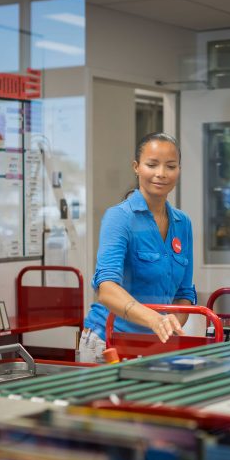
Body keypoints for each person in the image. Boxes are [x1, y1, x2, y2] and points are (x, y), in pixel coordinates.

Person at [78, 132, 196, 363]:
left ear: (179, 170)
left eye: (170, 166)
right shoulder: (119, 218)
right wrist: (154, 319)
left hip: (157, 343)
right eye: (152, 165)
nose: (161, 173)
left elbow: (184, 293)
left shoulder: (183, 223)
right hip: (109, 341)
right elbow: (107, 289)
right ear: (136, 167)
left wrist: (170, 324)